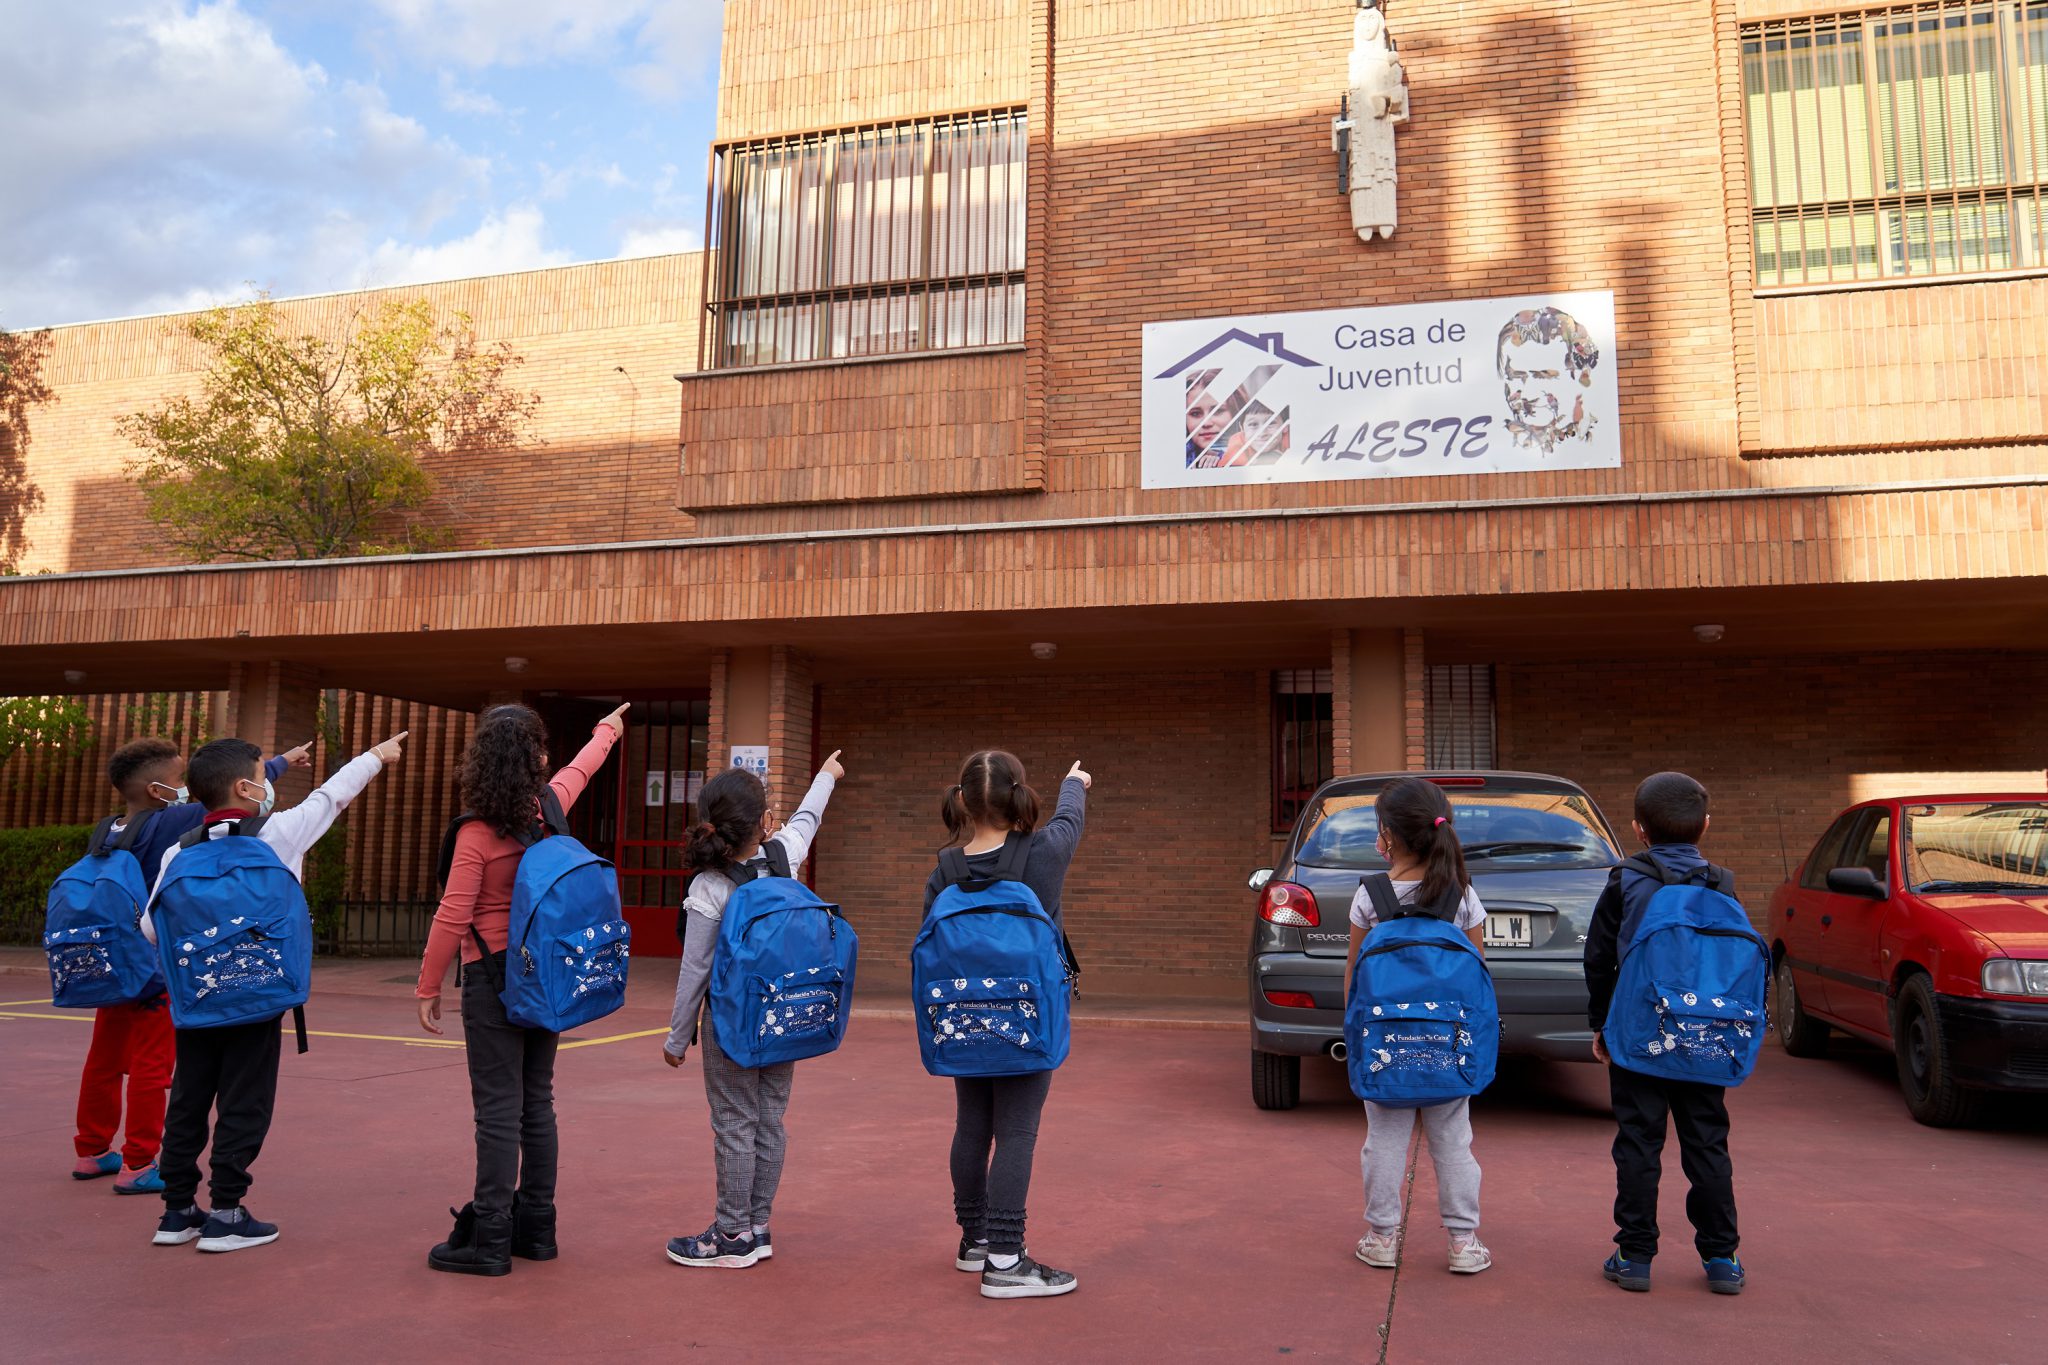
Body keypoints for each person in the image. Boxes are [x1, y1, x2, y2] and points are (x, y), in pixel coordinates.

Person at [143, 729, 405, 1252]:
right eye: (264, 777)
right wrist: (376, 756)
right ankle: (226, 1212)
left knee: (189, 1098)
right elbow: (331, 795)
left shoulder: (178, 851)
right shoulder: (278, 833)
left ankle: (176, 1212)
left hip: (195, 1000)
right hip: (258, 997)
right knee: (245, 1100)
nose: (269, 787)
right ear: (245, 787)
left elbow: (151, 929)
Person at [415, 702, 628, 1276]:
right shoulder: (549, 810)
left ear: (479, 762)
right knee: (538, 1101)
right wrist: (608, 730)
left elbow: (453, 914)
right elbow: (583, 768)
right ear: (536, 757)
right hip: (546, 974)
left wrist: (427, 986)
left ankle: (487, 1239)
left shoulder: (476, 833)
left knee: (497, 1110)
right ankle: (537, 1229)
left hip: (491, 976)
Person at [69, 738, 308, 1195]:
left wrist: (280, 762)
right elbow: (223, 794)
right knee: (152, 1068)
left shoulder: (108, 829)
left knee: (102, 1059)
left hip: (113, 961)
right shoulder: (171, 823)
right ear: (160, 791)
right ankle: (138, 1162)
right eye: (181, 781)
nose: (188, 790)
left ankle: (91, 1149)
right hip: (154, 967)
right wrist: (277, 765)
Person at [660, 749, 846, 1268]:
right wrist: (827, 776)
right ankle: (758, 1225)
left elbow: (694, 971)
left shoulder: (708, 886)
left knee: (734, 1122)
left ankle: (731, 1234)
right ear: (764, 823)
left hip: (731, 1025)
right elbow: (807, 818)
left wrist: (678, 1040)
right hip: (784, 1015)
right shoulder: (784, 856)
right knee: (770, 1121)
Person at [921, 750, 1089, 1299]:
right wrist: (1073, 782)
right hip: (1027, 1018)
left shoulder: (944, 871)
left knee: (973, 1125)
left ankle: (974, 1241)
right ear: (1019, 795)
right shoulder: (1042, 854)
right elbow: (1069, 820)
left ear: (963, 800)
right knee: (1017, 1130)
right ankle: (1006, 1259)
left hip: (962, 1018)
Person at [1585, 771, 1744, 1295]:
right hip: (1704, 1031)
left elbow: (1600, 959)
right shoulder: (1722, 882)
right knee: (1707, 1142)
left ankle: (1635, 1257)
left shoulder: (1625, 880)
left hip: (1638, 1035)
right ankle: (1721, 1259)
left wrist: (1601, 1025)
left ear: (1638, 829)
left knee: (1638, 1142)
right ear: (1705, 826)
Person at [1346, 776, 1492, 1276]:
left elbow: (1354, 979)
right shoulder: (1464, 897)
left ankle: (1382, 1237)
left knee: (1382, 1141)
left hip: (1384, 1043)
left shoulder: (1370, 897)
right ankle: (1462, 1243)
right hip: (1448, 1044)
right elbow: (1478, 975)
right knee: (1453, 1142)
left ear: (1386, 834)